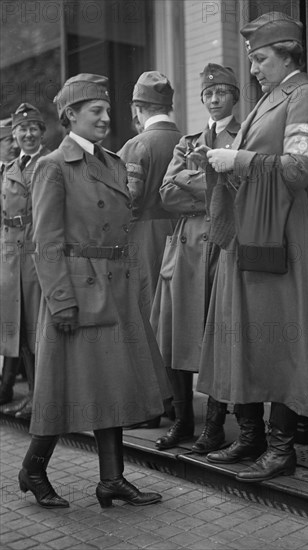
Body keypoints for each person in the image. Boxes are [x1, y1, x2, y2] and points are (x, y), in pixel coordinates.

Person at [196, 12, 308, 481]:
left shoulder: (305, 95)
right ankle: (250, 439)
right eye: (252, 59)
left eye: (261, 58)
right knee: (248, 333)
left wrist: (239, 157)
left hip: (284, 235)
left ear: (289, 54)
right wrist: (218, 162)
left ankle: (281, 449)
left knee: (283, 337)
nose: (252, 69)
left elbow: (297, 170)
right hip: (255, 229)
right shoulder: (268, 99)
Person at [19, 73, 171, 509]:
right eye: (96, 111)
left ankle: (111, 480)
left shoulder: (114, 162)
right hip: (76, 291)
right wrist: (61, 300)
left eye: (107, 110)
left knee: (113, 386)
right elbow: (45, 243)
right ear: (70, 116)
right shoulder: (52, 166)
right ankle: (32, 468)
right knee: (61, 388)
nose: (106, 117)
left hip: (116, 289)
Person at [151, 64, 240, 452]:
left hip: (222, 244)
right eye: (208, 94)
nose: (215, 99)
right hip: (185, 248)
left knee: (217, 335)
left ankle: (215, 427)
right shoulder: (187, 142)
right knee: (175, 335)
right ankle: (184, 422)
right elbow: (165, 194)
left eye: (222, 92)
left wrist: (198, 180)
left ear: (234, 96)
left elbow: (237, 186)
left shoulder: (244, 136)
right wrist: (208, 180)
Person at [0, 104, 50, 419]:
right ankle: (32, 395)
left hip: (38, 252)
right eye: (22, 129)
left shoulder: (49, 163)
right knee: (20, 328)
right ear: (14, 135)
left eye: (33, 128)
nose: (28, 134)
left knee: (37, 329)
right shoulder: (10, 169)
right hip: (12, 254)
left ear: (42, 133)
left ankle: (43, 399)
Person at [118, 71, 182, 314]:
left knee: (145, 315)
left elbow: (126, 202)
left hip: (143, 242)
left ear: (137, 107)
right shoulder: (188, 141)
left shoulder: (135, 146)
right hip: (183, 236)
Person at [0, 120, 21, 406]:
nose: (15, 144)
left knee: (12, 317)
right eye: (8, 141)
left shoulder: (21, 170)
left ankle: (7, 384)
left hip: (14, 253)